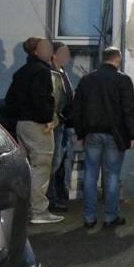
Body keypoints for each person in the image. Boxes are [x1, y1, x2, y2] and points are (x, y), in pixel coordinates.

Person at [71, 47, 134, 228]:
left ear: (103, 59)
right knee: (112, 176)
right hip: (115, 134)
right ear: (117, 59)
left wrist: (80, 133)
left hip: (92, 133)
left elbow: (77, 109)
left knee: (90, 174)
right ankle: (110, 217)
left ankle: (89, 217)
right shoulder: (123, 80)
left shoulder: (87, 80)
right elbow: (128, 109)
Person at [2, 36, 63, 224]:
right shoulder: (42, 72)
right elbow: (42, 97)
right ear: (37, 51)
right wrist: (47, 119)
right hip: (38, 125)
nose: (50, 51)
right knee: (41, 167)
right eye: (46, 48)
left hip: (21, 124)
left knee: (25, 168)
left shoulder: (21, 72)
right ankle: (39, 212)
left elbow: (10, 100)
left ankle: (23, 210)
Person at [47, 41, 76, 213]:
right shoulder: (51, 73)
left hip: (63, 123)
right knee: (53, 162)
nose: (67, 56)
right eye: (64, 52)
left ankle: (54, 195)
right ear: (54, 55)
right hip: (55, 124)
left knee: (58, 161)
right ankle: (50, 198)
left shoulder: (62, 72)